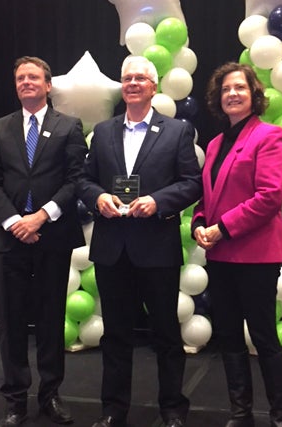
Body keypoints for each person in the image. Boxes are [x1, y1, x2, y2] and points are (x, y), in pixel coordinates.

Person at [77, 55, 202, 427]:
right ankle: (114, 410)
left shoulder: (178, 132)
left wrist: (158, 201)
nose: (132, 83)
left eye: (140, 78)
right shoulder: (103, 131)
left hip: (156, 249)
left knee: (166, 334)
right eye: (127, 78)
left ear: (153, 86)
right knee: (115, 335)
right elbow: (84, 180)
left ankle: (172, 410)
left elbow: (192, 183)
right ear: (122, 86)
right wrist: (97, 196)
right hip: (113, 249)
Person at [0, 56, 88, 426]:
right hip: (8, 238)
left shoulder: (69, 127)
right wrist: (15, 221)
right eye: (20, 78)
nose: (26, 82)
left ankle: (50, 396)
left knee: (50, 321)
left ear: (48, 85)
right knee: (10, 325)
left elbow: (76, 179)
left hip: (52, 236)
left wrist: (41, 215)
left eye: (33, 77)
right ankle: (15, 400)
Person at [192, 61, 282, 427]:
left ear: (254, 95)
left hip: (255, 256)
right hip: (221, 255)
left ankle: (280, 416)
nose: (233, 93)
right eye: (227, 88)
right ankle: (240, 412)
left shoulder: (269, 136)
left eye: (241, 88)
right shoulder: (215, 144)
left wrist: (222, 228)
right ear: (219, 97)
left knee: (263, 337)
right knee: (228, 335)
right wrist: (200, 223)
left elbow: (269, 197)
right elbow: (208, 198)